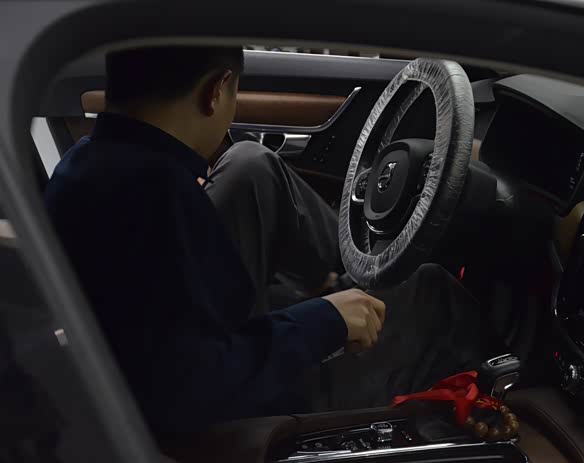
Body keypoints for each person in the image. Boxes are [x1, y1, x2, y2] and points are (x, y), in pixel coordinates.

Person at [44, 45, 503, 435]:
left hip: (200, 347)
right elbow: (191, 386)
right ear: (217, 90)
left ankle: (343, 290)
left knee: (250, 165)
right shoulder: (160, 198)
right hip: (237, 407)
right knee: (433, 293)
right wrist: (324, 321)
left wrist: (319, 311)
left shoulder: (88, 165)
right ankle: (505, 385)